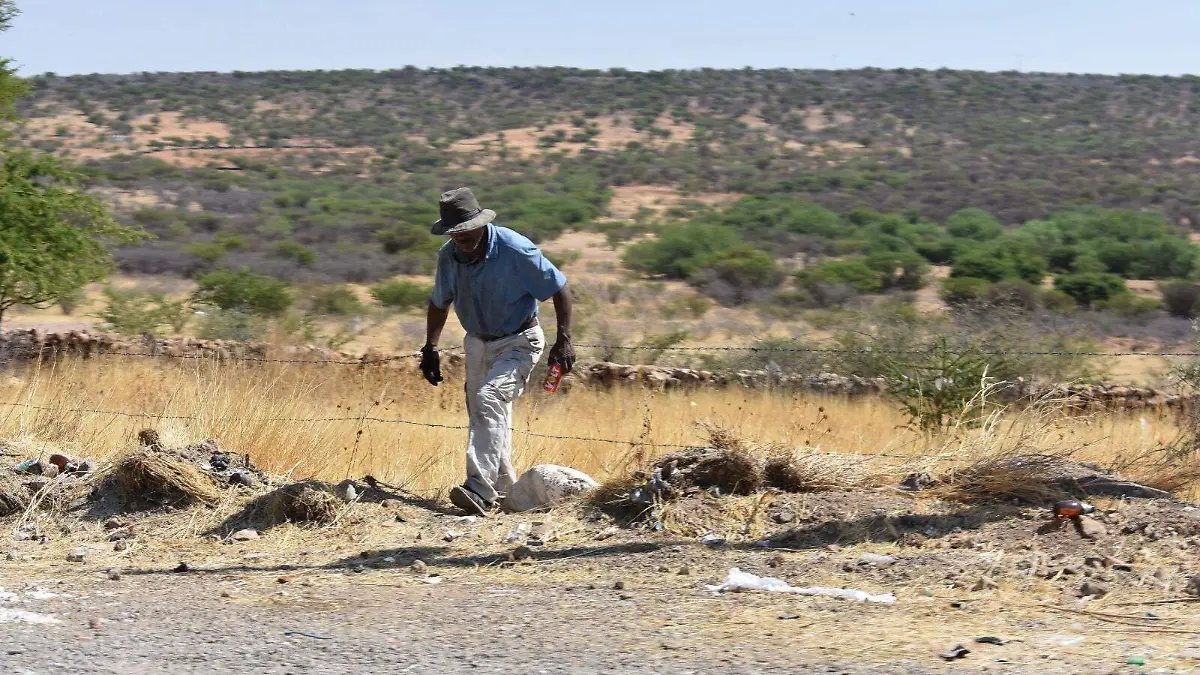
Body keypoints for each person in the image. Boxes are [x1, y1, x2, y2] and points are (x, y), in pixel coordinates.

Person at [420, 187, 576, 516]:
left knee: (490, 398)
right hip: (476, 341)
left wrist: (564, 339)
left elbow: (559, 286)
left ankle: (479, 488)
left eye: (465, 229)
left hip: (519, 339)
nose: (460, 237)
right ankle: (506, 489)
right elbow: (439, 302)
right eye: (454, 232)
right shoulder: (449, 256)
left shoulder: (513, 247)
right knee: (484, 412)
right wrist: (431, 347)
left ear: (480, 222)